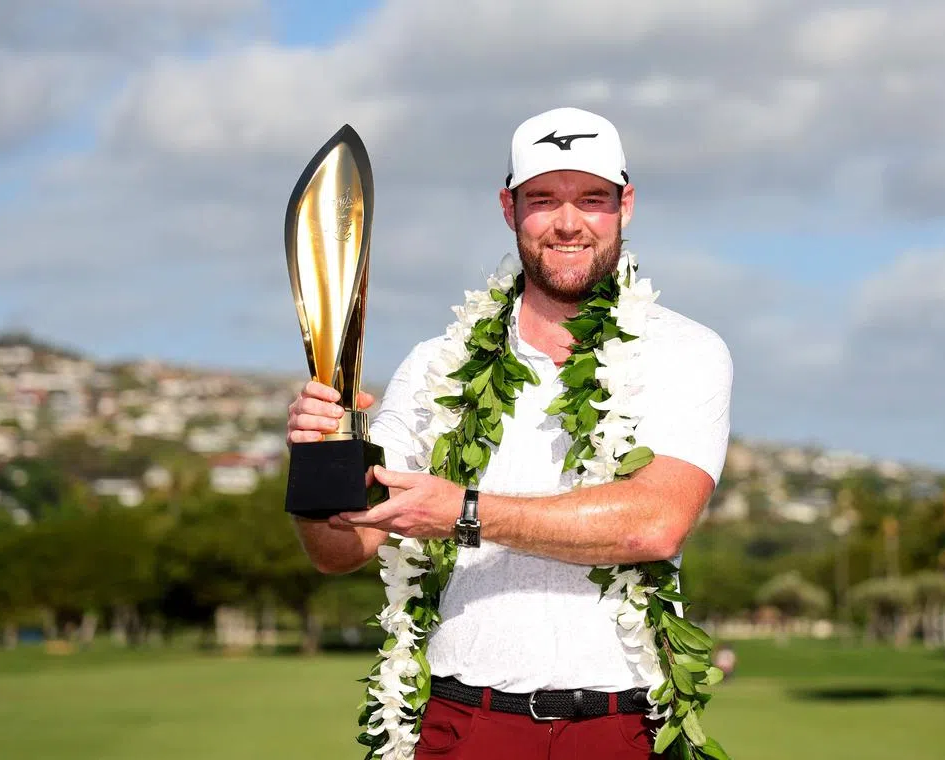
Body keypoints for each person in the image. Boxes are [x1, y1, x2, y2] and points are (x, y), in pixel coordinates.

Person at [286, 106, 732, 759]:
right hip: (463, 725)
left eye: (592, 199)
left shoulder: (684, 352)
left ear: (625, 206)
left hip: (614, 728)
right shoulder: (435, 364)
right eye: (543, 199)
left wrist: (463, 513)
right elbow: (340, 550)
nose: (568, 221)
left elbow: (654, 523)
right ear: (508, 207)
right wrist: (318, 457)